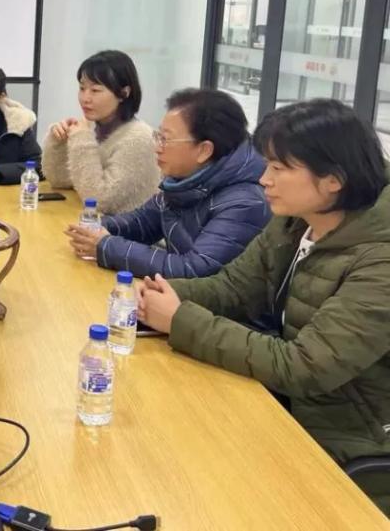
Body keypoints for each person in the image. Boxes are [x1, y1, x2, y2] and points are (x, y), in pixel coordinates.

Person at [137, 100, 390, 512]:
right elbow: (234, 288)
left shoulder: (380, 262)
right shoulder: (297, 221)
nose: (264, 179)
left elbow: (305, 367)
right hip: (285, 409)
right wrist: (163, 292)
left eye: (279, 168)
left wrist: (181, 319)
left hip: (351, 445)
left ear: (333, 180)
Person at [66, 88, 269, 277]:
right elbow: (142, 222)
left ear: (204, 150)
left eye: (166, 139)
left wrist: (106, 246)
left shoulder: (244, 203)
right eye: (158, 136)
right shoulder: (187, 179)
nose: (157, 148)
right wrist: (92, 228)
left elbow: (194, 269)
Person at [42, 50, 158, 214]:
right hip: (91, 223)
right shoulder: (92, 128)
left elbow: (99, 201)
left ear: (124, 93)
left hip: (122, 229)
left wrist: (82, 140)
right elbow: (60, 180)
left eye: (95, 90)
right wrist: (58, 142)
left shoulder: (139, 138)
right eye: (82, 88)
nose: (85, 98)